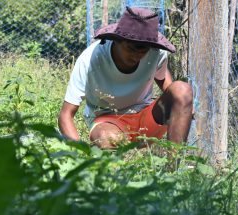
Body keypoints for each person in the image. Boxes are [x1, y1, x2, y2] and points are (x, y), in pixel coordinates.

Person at [58, 7, 193, 149]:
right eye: (131, 48)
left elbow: (165, 81)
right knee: (106, 136)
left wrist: (181, 103)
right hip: (108, 122)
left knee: (182, 89)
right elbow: (65, 115)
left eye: (143, 50)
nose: (137, 55)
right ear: (116, 40)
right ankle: (112, 168)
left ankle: (175, 169)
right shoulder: (90, 60)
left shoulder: (156, 53)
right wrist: (80, 154)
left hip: (146, 121)